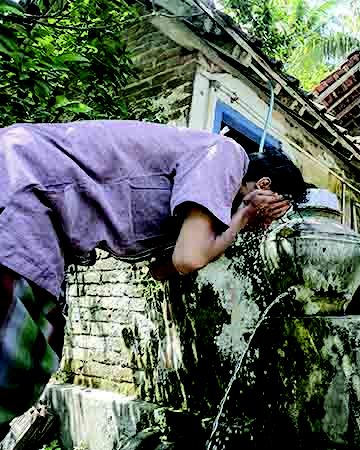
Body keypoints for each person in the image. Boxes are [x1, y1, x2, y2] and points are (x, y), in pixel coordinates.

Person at [0, 120, 307, 436]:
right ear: (264, 186)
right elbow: (189, 259)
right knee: (14, 361)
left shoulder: (201, 208)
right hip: (26, 185)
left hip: (38, 210)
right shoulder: (227, 153)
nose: (268, 224)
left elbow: (162, 269)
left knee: (34, 359)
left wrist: (232, 224)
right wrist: (243, 216)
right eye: (275, 211)